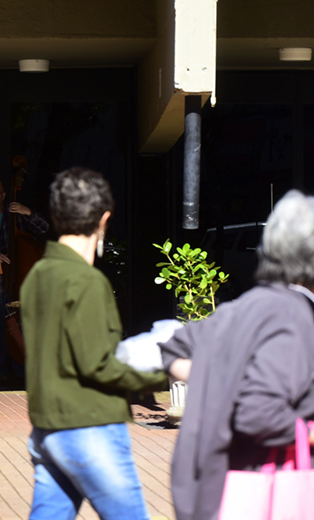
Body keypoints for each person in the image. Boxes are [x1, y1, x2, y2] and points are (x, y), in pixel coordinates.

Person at [20, 167, 165, 520]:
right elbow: (98, 365)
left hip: (46, 429)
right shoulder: (87, 280)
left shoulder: (36, 275)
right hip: (90, 428)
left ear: (55, 216)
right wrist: (163, 376)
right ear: (104, 219)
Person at [160, 190, 314, 520]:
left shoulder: (245, 306)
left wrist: (219, 380)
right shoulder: (296, 316)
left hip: (211, 489)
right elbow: (259, 411)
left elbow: (173, 349)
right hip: (263, 494)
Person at [0, 177, 48, 383]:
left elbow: (44, 229)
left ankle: (23, 370)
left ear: (3, 195)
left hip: (19, 284)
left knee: (23, 327)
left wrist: (27, 212)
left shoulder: (17, 217)